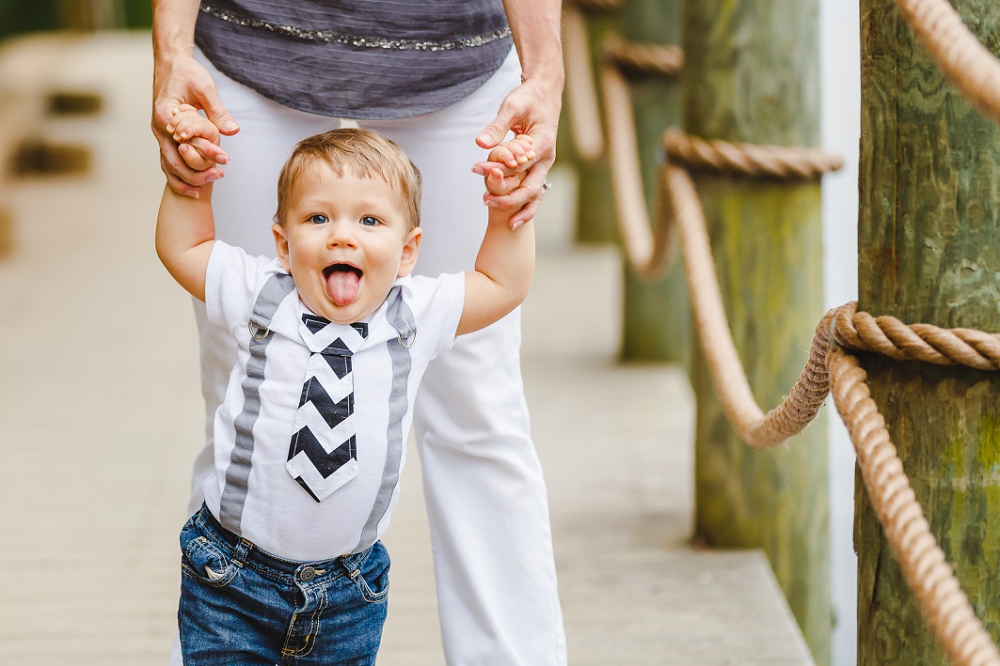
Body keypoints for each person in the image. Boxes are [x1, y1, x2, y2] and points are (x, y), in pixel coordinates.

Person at [151, 2, 567, 663]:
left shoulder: (422, 307)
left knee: (478, 406)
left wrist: (544, 76)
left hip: (455, 51)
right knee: (241, 377)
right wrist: (171, 54)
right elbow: (186, 247)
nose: (343, 240)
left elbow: (500, 284)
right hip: (252, 44)